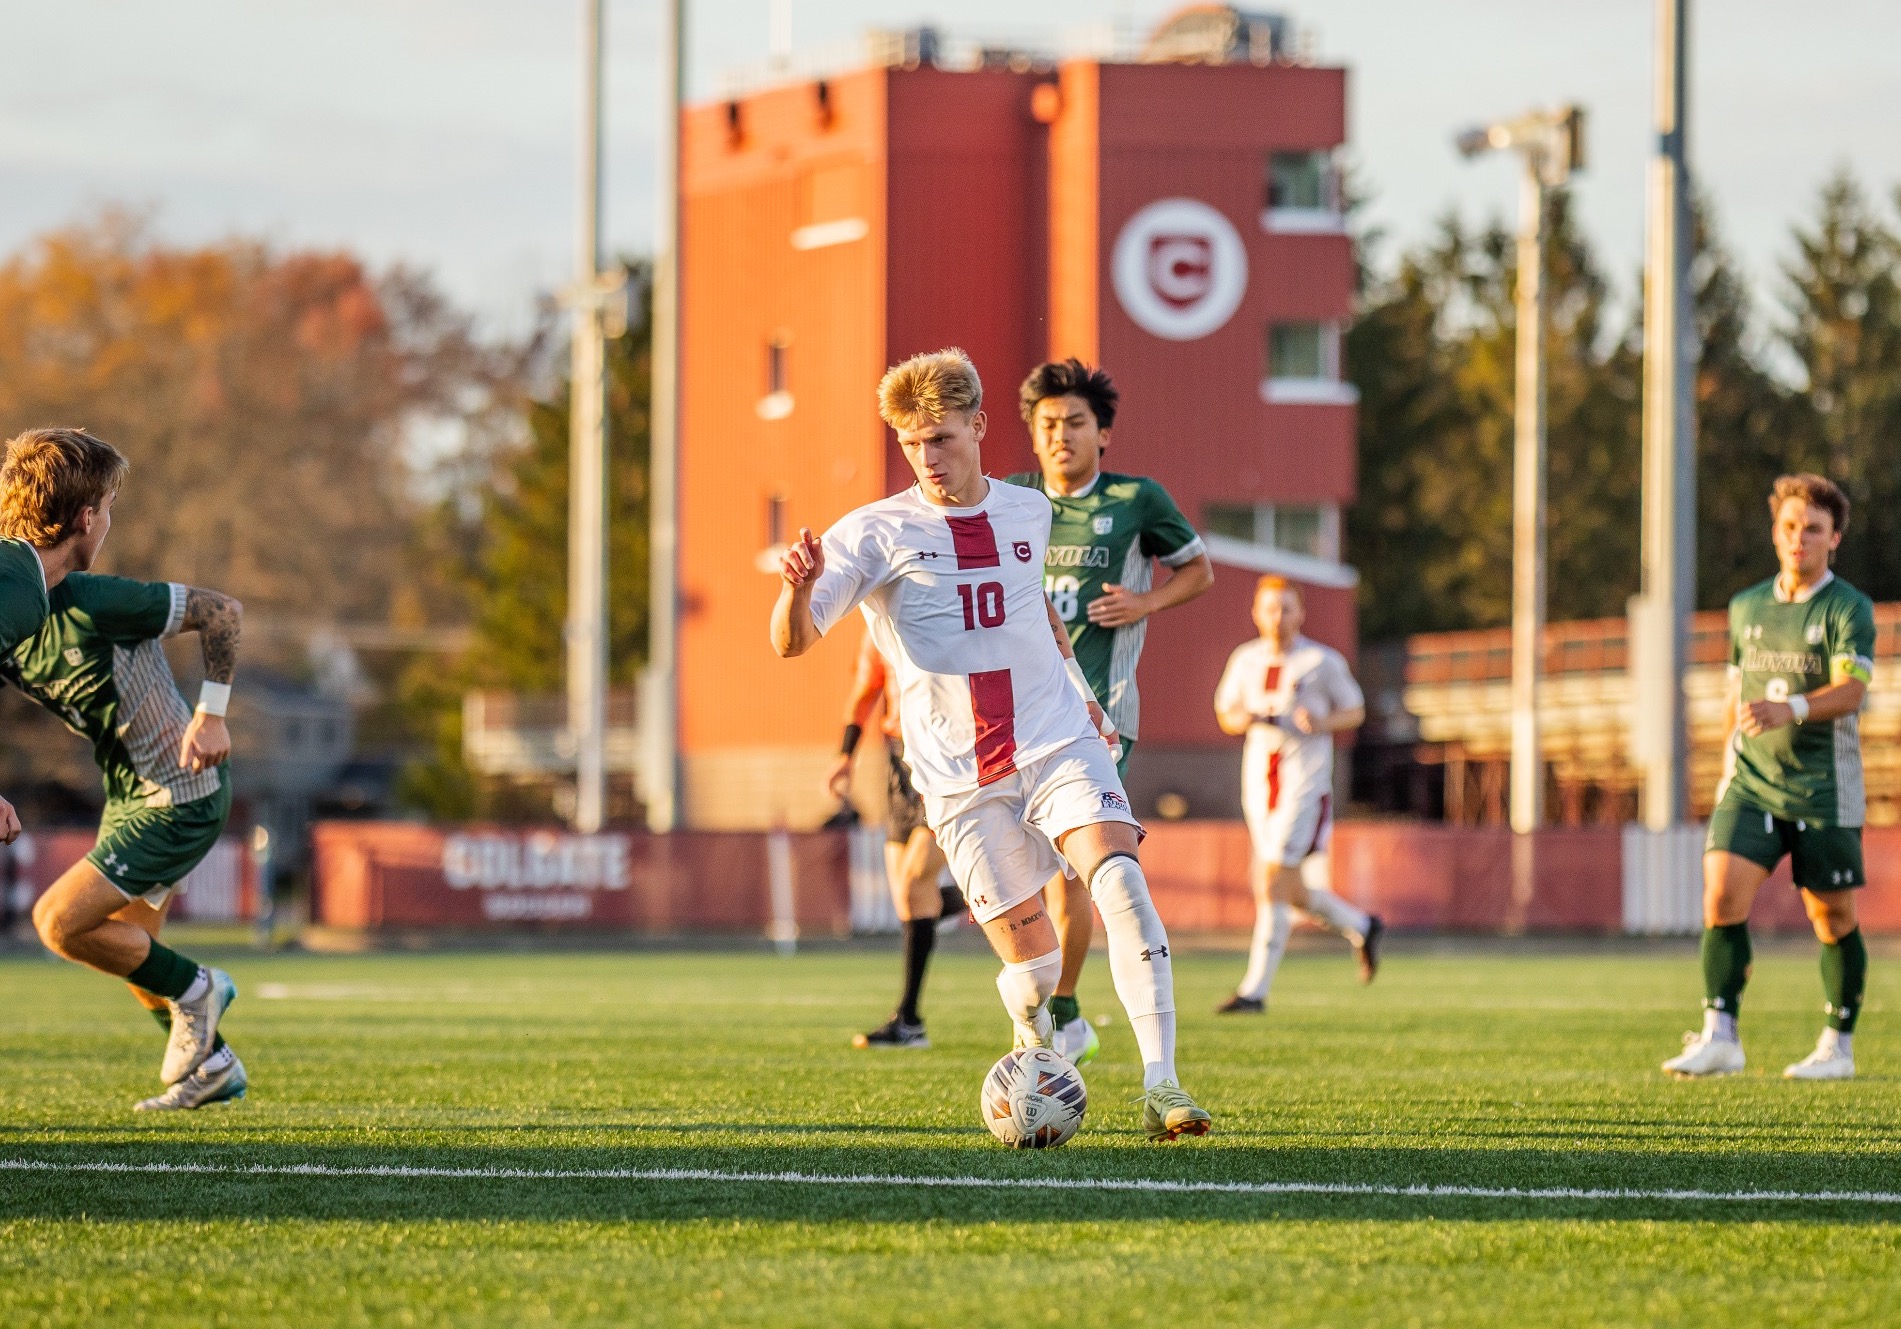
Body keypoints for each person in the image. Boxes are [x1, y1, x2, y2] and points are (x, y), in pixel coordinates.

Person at [772, 348, 1211, 1141]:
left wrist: (1086, 699)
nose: (927, 457)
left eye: (940, 438)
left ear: (977, 426)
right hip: (958, 778)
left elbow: (1037, 613)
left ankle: (1162, 1085)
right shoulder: (872, 532)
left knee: (1119, 880)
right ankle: (1031, 1025)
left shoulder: (1027, 510)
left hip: (1056, 739)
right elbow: (791, 642)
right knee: (1033, 970)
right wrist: (795, 591)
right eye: (911, 443)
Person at [6, 428, 243, 1106]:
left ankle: (201, 988)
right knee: (132, 949)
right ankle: (212, 1067)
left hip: (182, 793)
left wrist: (211, 713)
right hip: (131, 796)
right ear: (86, 518)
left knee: (59, 922)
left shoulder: (94, 599)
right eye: (110, 507)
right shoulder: (19, 598)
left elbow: (221, 612)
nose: (109, 522)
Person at [1004, 359, 1213, 1066]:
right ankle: (1050, 1005)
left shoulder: (1135, 498)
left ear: (1103, 434)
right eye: (1047, 424)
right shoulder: (1013, 499)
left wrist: (1144, 601)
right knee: (1024, 868)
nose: (1059, 436)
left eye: (1074, 423)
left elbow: (1199, 569)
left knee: (1078, 863)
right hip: (1020, 716)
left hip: (1101, 715)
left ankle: (1063, 1010)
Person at [1663, 473, 1874, 1082]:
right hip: (1752, 781)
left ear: (1835, 538)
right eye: (1790, 527)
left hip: (1822, 788)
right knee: (1720, 895)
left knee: (1831, 917)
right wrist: (1723, 764)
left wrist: (1793, 708)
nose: (1799, 539)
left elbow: (1852, 691)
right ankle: (1720, 1036)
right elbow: (1736, 694)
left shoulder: (1848, 608)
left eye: (1814, 529)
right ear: (1775, 532)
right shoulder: (1746, 607)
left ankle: (1837, 1045)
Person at [1213, 576, 1381, 1013]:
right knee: (1293, 891)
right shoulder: (1245, 659)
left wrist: (1322, 722)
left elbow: (1355, 710)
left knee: (1270, 880)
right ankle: (1362, 925)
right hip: (1259, 783)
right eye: (1270, 608)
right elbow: (1226, 712)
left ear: (1301, 613)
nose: (1278, 617)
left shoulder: (1321, 661)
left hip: (1304, 784)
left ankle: (1254, 991)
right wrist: (1242, 718)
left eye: (1286, 608)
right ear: (1256, 613)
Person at [824, 630, 963, 1049]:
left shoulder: (943, 609)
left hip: (945, 754)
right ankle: (910, 1024)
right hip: (898, 761)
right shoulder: (877, 626)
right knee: (909, 899)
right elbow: (865, 688)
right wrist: (845, 755)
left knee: (915, 884)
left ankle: (908, 1018)